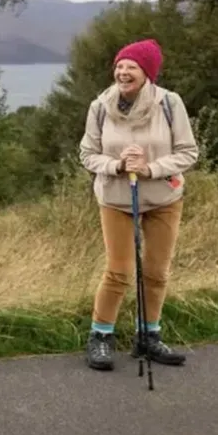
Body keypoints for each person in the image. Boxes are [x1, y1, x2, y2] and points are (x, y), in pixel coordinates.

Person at [78, 38, 199, 371]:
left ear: (147, 72)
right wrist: (118, 165)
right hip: (117, 198)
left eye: (131, 66)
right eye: (119, 66)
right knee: (118, 272)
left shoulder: (169, 104)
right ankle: (100, 338)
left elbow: (188, 152)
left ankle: (148, 337)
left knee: (156, 272)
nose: (123, 71)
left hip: (163, 197)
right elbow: (87, 154)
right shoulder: (100, 106)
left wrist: (149, 169)